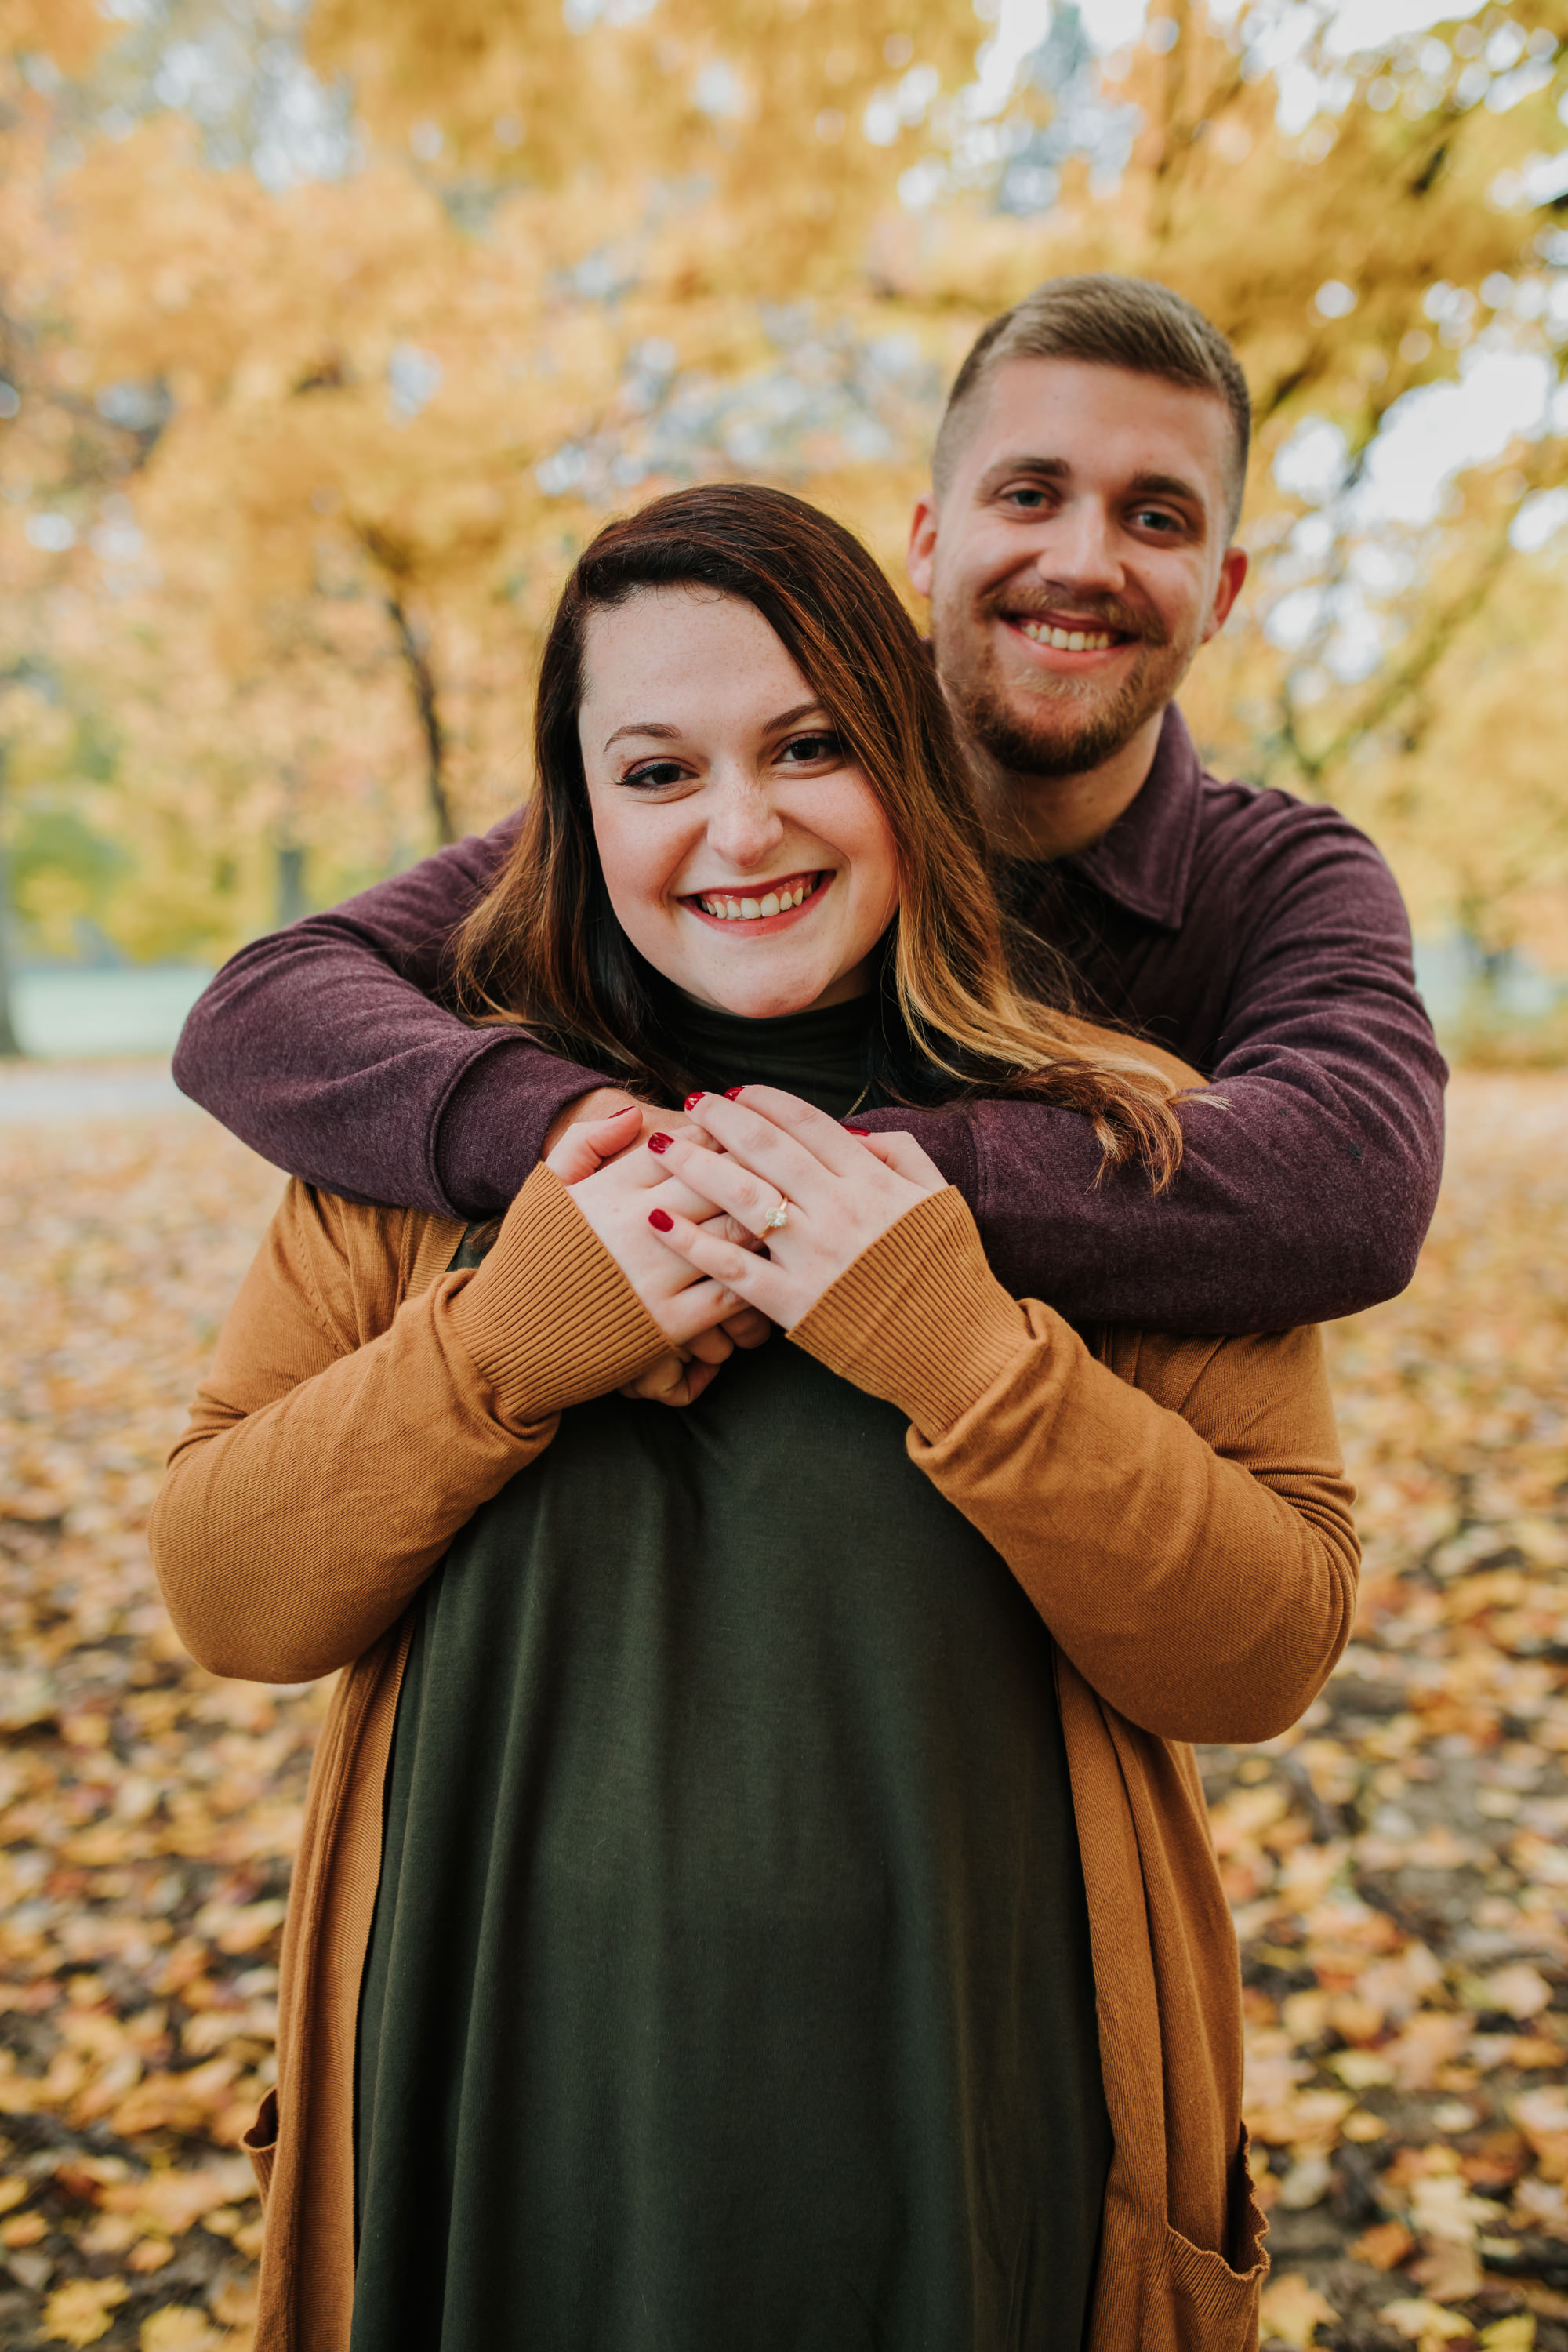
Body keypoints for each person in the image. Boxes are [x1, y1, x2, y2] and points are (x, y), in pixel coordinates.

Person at [151, 485, 1359, 2352]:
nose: (740, 828)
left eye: (808, 747)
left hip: (981, 2153)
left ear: (905, 755)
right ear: (578, 816)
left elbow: (1264, 1647)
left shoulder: (1123, 1146)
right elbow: (232, 1597)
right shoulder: (420, 1146)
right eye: (656, 770)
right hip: (490, 2126)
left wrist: (957, 1347)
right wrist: (512, 1339)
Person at [171, 274, 1446, 1337]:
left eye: (1153, 516)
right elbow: (261, 1007)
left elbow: (1354, 1181)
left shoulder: (1283, 877)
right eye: (1028, 494)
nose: (1080, 560)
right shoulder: (749, 808)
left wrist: (841, 1193)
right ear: (930, 540)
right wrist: (573, 1131)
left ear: (1220, 591)